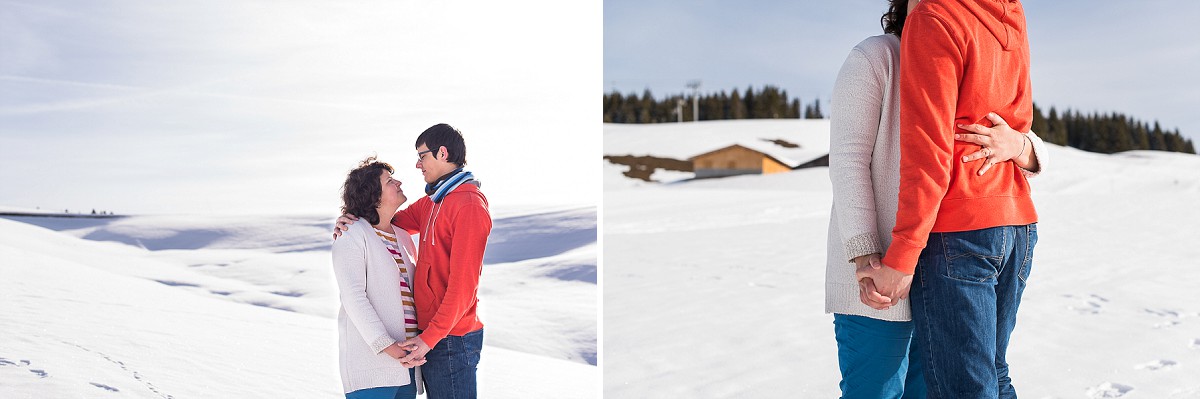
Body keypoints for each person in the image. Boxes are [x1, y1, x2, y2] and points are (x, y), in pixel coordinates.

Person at [828, 0, 1048, 397]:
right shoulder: (875, 57)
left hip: (936, 255)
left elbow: (1013, 130)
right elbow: (848, 161)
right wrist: (866, 254)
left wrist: (1019, 145)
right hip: (885, 270)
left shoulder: (965, 29)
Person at [335, 123, 491, 399]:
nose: (418, 165)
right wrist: (350, 218)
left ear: (442, 153)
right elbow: (384, 220)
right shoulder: (432, 203)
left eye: (422, 156)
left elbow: (463, 287)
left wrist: (428, 339)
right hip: (428, 336)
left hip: (451, 337)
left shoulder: (468, 205)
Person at [331, 157, 425, 399]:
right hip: (372, 367)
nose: (399, 182)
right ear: (373, 195)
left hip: (406, 365)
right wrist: (386, 345)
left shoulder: (403, 237)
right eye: (390, 181)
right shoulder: (352, 233)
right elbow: (353, 297)